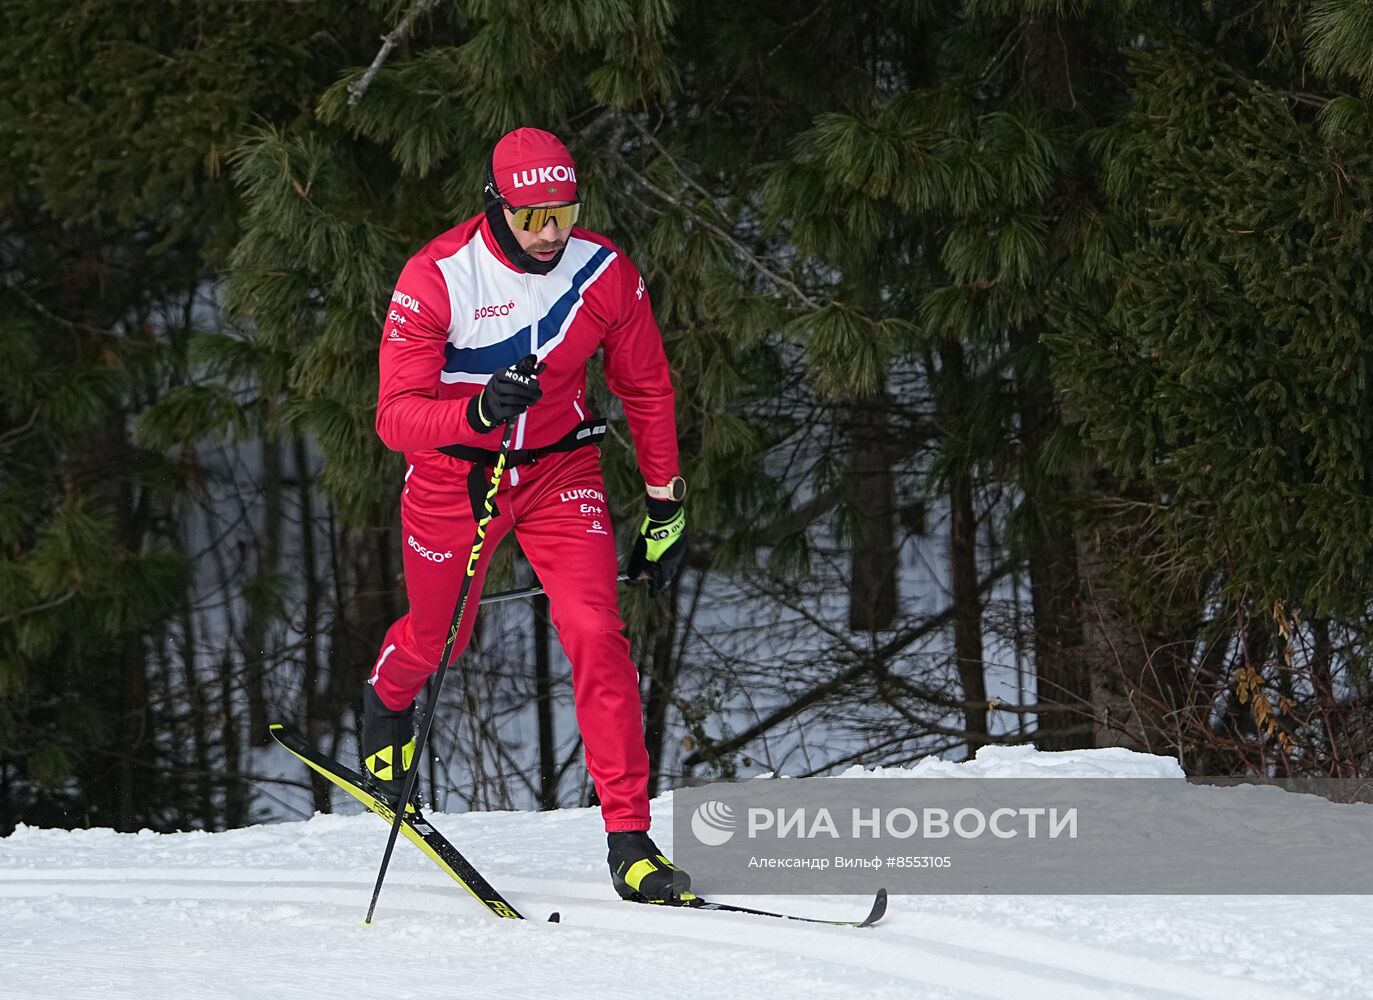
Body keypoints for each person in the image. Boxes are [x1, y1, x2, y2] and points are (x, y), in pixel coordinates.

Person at [361, 127, 690, 903]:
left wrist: (664, 501)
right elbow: (393, 417)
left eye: (564, 213)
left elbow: (645, 388)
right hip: (452, 473)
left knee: (594, 631)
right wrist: (474, 408)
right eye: (530, 216)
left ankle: (630, 840)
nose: (550, 233)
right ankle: (385, 701)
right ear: (495, 205)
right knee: (440, 637)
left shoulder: (604, 272)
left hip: (557, 471)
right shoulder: (437, 275)